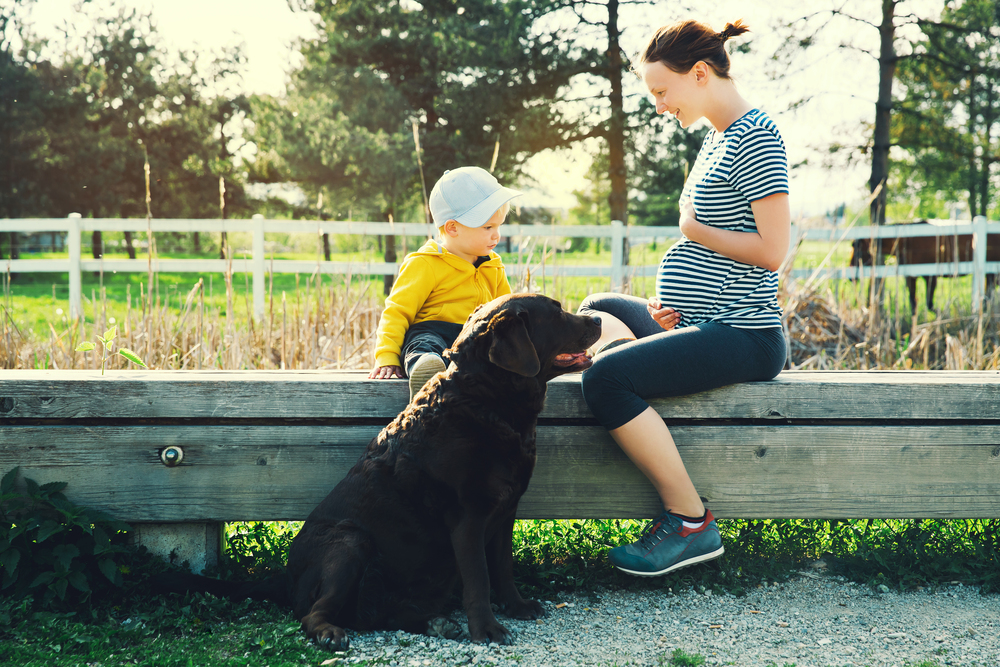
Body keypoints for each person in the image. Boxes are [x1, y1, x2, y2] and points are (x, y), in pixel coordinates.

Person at [578, 18, 790, 577]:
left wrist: (695, 231)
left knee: (603, 379)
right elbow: (717, 256)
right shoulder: (717, 137)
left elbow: (772, 252)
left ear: (699, 73)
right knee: (598, 310)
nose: (658, 104)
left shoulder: (758, 137)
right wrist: (681, 307)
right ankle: (627, 362)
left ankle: (689, 520)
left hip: (747, 335)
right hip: (707, 320)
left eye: (661, 91)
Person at [369, 166, 521, 400]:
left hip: (475, 338)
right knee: (422, 341)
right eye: (488, 227)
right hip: (435, 333)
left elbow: (507, 312)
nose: (496, 235)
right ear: (453, 228)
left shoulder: (493, 265)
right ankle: (426, 369)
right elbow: (397, 312)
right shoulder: (426, 263)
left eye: (498, 226)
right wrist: (387, 356)